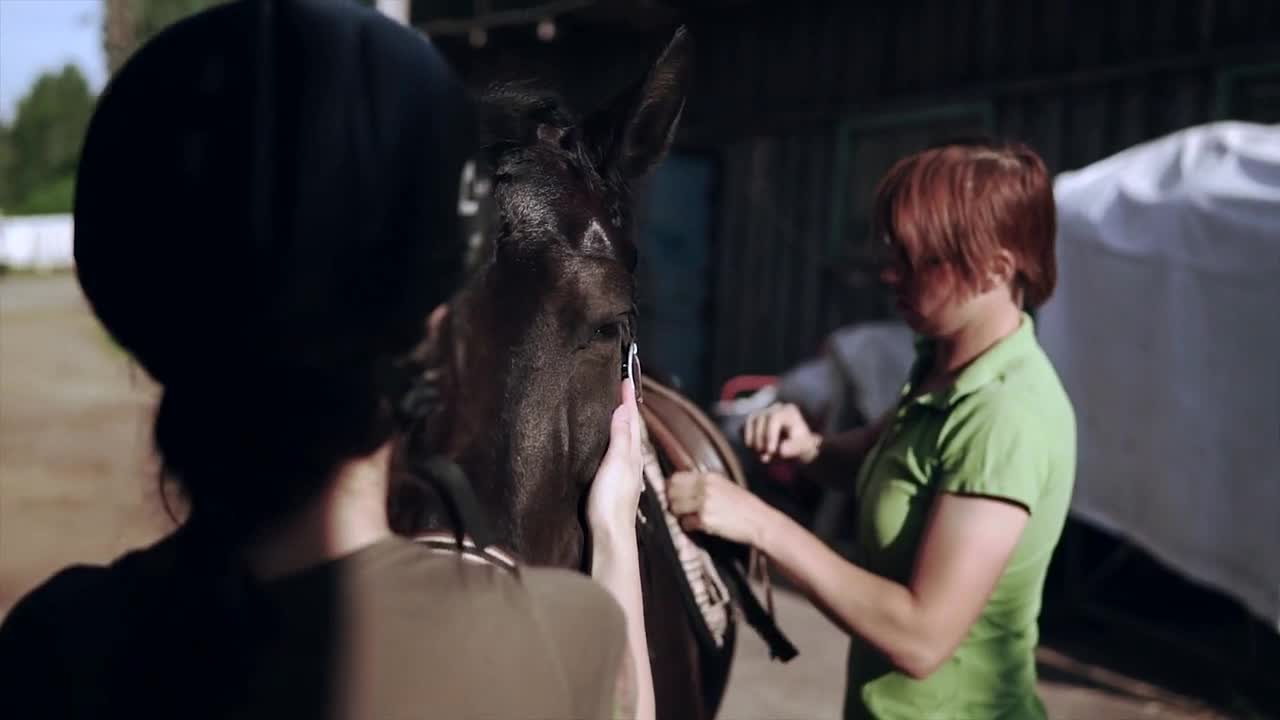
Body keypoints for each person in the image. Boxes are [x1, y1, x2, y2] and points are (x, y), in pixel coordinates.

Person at [0, 2, 652, 719]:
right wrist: (616, 529)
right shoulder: (561, 635)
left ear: (129, 312)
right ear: (437, 326)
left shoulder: (49, 643)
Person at [670, 140, 1076, 720]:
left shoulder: (1004, 416)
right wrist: (811, 449)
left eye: (921, 259)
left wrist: (760, 524)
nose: (892, 274)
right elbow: (884, 464)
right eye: (895, 254)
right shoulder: (945, 365)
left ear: (997, 269)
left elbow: (921, 638)